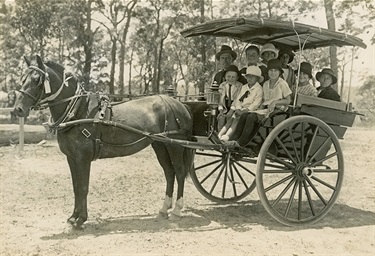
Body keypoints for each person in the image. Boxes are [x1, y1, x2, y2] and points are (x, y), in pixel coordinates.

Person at [227, 59, 292, 147]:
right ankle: (233, 139)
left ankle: (241, 142)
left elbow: (288, 100)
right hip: (266, 109)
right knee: (245, 115)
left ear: (279, 72)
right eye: (271, 71)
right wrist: (258, 110)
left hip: (278, 111)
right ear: (268, 72)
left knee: (251, 116)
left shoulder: (282, 83)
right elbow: (264, 101)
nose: (273, 73)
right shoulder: (266, 84)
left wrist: (275, 102)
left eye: (275, 71)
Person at [218, 66, 264, 141]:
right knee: (230, 120)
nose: (250, 79)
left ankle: (227, 136)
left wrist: (245, 110)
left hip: (250, 111)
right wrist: (238, 109)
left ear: (258, 79)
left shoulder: (259, 89)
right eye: (248, 76)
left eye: (253, 77)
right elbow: (238, 99)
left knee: (236, 120)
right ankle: (219, 135)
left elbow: (256, 103)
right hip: (240, 109)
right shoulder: (244, 87)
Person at [217, 65, 243, 131]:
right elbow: (219, 99)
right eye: (228, 76)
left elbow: (238, 99)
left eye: (233, 77)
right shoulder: (222, 85)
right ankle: (219, 136)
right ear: (225, 77)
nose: (230, 79)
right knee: (221, 118)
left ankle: (228, 137)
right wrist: (221, 110)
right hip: (224, 107)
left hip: (235, 107)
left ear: (237, 78)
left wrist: (231, 111)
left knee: (231, 118)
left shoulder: (240, 85)